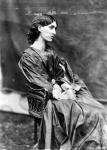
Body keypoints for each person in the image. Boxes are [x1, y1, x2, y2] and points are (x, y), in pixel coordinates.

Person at [18, 14, 107, 150]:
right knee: (92, 114)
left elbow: (59, 74)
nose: (54, 32)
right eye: (51, 27)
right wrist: (57, 89)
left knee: (100, 110)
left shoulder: (49, 51)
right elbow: (38, 82)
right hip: (48, 100)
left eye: (56, 28)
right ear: (40, 28)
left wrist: (65, 83)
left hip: (62, 92)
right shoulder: (28, 56)